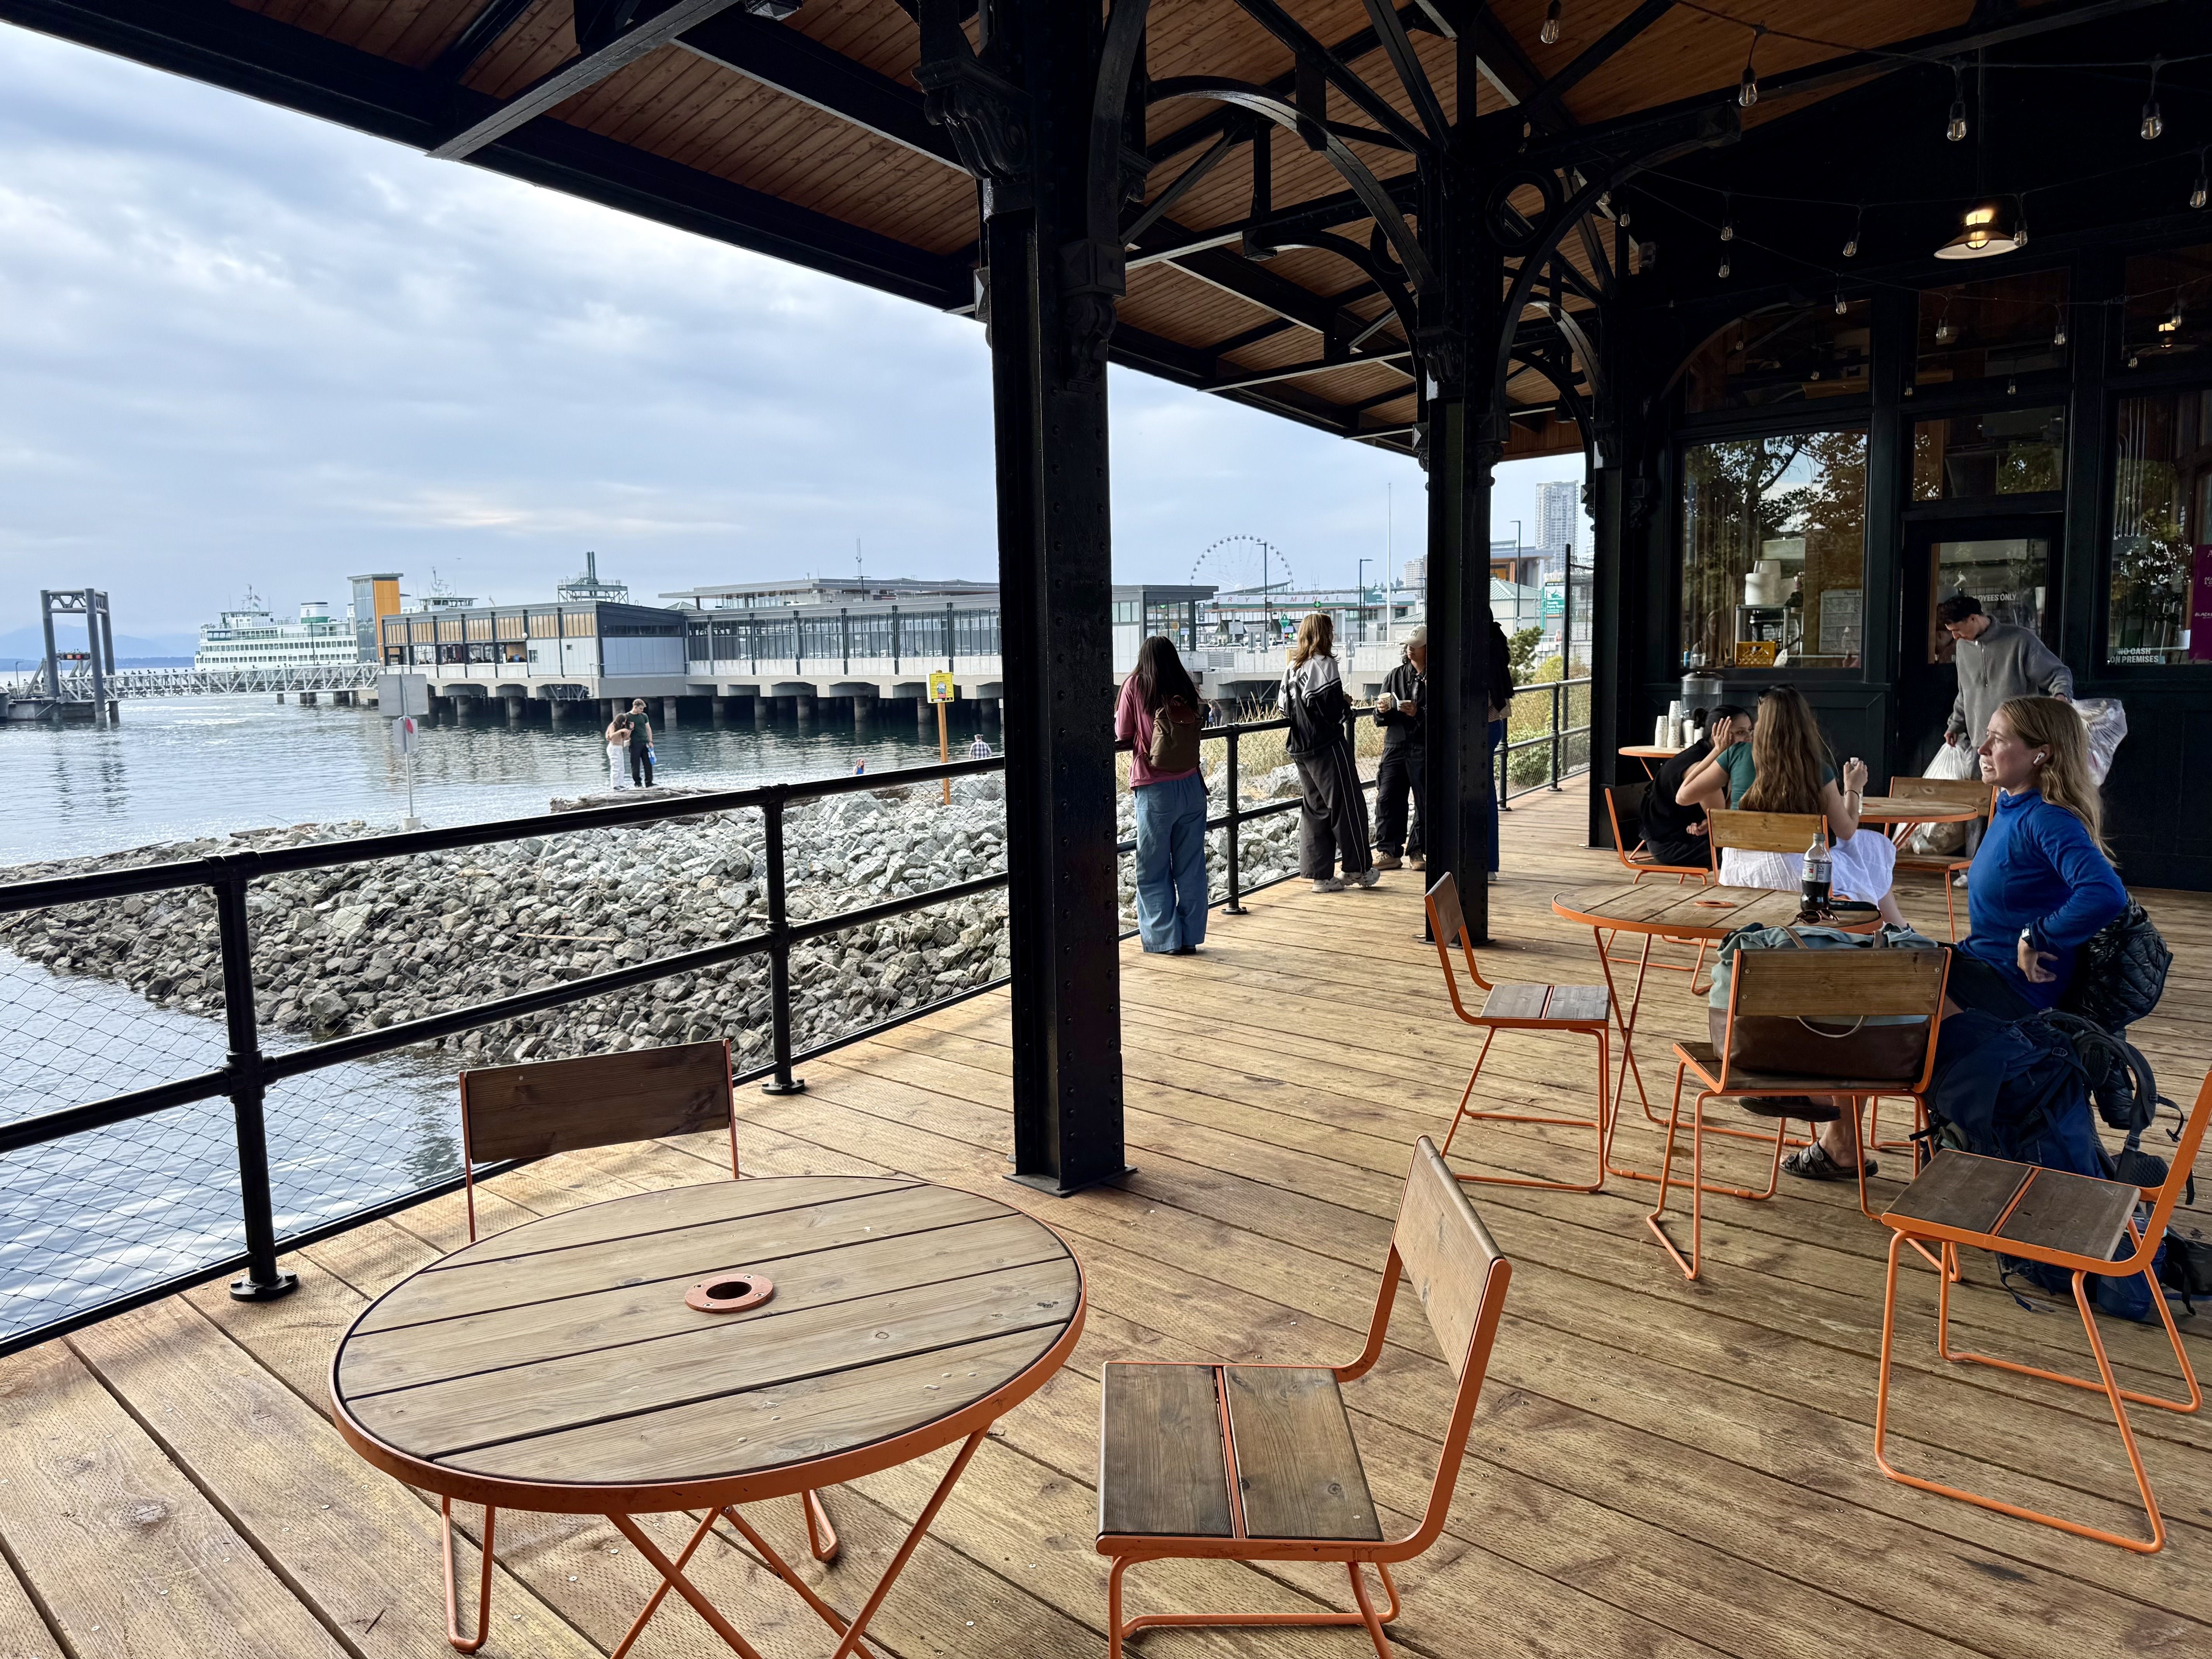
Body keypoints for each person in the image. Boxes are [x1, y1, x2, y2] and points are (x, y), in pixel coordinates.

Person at [1792, 696, 2127, 1183]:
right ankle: (1834, 1129)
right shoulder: (2012, 805)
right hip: (1979, 968)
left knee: (1863, 997)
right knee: (1858, 977)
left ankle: (1833, 1132)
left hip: (2010, 992)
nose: (1984, 747)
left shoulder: (2047, 818)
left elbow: (2106, 893)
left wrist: (2040, 933)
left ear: (2043, 754)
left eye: (2000, 739)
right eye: (1985, 734)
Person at [1678, 684, 1906, 928]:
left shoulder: (1736, 754)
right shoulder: (1817, 769)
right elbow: (1847, 831)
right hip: (1800, 879)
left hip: (1738, 872)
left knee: (1869, 853)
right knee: (1873, 848)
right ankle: (1897, 931)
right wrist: (1853, 788)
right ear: (1804, 723)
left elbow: (1683, 796)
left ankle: (1897, 930)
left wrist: (1717, 751)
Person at [1115, 635, 1210, 953]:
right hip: (1192, 786)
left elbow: (1123, 733)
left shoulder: (1136, 685)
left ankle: (1165, 940)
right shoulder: (1183, 683)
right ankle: (1190, 937)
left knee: (1153, 868)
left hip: (1155, 788)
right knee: (1191, 867)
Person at [1281, 612, 1377, 892]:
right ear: (1325, 634)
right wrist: (1345, 703)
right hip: (1327, 745)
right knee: (1348, 805)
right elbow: (1334, 712)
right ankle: (1357, 869)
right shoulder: (1323, 665)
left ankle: (1321, 876)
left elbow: (1284, 709)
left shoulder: (1291, 669)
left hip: (1300, 747)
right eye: (1331, 631)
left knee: (1315, 810)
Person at [1939, 594, 2073, 751]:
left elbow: (2057, 673)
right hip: (1981, 745)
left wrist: (2061, 696)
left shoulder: (2020, 640)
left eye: (1957, 630)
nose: (1955, 637)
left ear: (1973, 618)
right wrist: (1955, 725)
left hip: (2018, 741)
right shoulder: (1963, 647)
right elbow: (1965, 692)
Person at [1640, 703, 1750, 870]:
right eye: (1741, 732)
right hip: (1671, 845)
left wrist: (1705, 822)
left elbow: (1719, 816)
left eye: (1750, 730)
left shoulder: (1711, 752)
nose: (1750, 738)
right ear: (1717, 735)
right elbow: (1722, 822)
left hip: (1688, 834)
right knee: (1743, 853)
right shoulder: (1703, 765)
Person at [1372, 625, 1427, 871]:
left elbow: (1448, 716)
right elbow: (1378, 717)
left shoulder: (1440, 676)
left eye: (1416, 646)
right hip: (1395, 744)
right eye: (1408, 645)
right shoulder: (1395, 675)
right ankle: (1388, 851)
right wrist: (1382, 710)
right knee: (1387, 798)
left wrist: (1419, 713)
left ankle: (1417, 850)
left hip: (1422, 745)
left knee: (1425, 800)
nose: (1410, 649)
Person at [1484, 615, 1515, 884]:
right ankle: (1489, 864)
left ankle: (1487, 863)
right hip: (1494, 724)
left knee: (1481, 794)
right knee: (1486, 792)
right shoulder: (1495, 645)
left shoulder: (1483, 650)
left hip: (1482, 725)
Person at [626, 697, 656, 788]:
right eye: (641, 709)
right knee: (635, 764)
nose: (642, 711)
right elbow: (626, 732)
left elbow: (648, 728)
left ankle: (649, 782)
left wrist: (650, 741)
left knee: (648, 763)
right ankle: (638, 783)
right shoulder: (628, 717)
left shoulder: (644, 716)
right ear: (635, 707)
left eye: (643, 709)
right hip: (635, 743)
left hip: (645, 742)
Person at [604, 714, 633, 790]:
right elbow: (611, 736)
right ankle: (615, 785)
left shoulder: (622, 727)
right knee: (616, 767)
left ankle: (621, 784)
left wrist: (630, 729)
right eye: (623, 722)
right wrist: (621, 731)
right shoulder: (613, 726)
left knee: (621, 767)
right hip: (614, 748)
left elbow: (626, 738)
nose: (624, 724)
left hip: (620, 748)